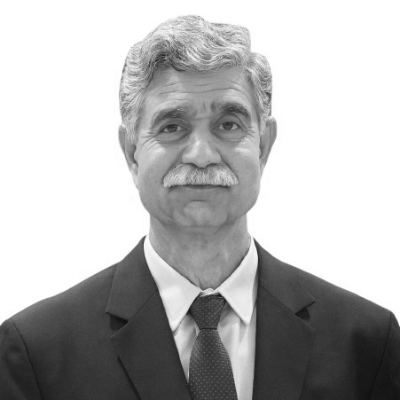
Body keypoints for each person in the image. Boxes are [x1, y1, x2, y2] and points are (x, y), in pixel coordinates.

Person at [0, 15, 399, 400]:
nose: (202, 155)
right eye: (172, 127)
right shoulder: (37, 353)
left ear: (263, 146)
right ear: (132, 152)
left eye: (229, 125)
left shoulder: (366, 345)